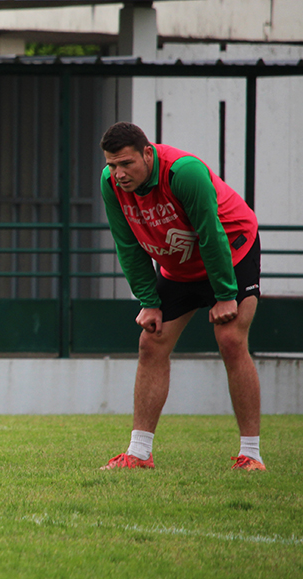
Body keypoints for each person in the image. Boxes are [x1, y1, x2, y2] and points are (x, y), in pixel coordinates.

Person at [98, 122, 264, 471]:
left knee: (231, 339)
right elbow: (127, 244)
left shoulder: (184, 172)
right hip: (180, 266)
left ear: (147, 153)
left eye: (126, 163)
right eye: (112, 165)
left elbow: (211, 232)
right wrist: (149, 301)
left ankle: (252, 455)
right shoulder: (110, 185)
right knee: (151, 342)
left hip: (231, 251)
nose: (119, 173)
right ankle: (139, 454)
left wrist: (224, 294)